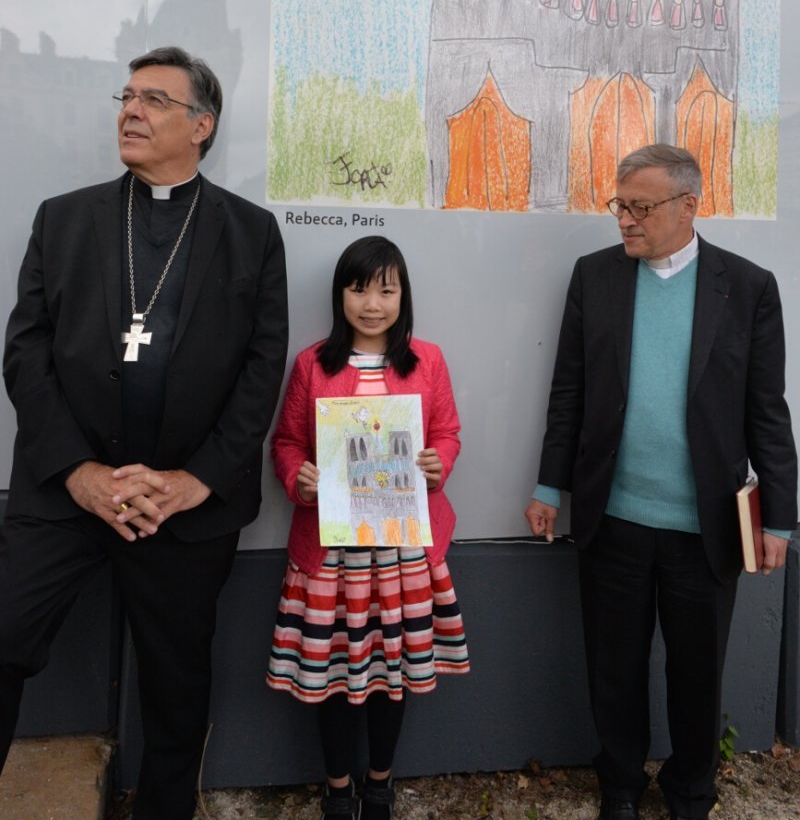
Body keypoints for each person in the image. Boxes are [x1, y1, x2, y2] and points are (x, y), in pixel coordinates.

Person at [1, 46, 288, 820]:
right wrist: (79, 473)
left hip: (182, 504)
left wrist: (197, 480)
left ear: (202, 125)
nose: (130, 110)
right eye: (127, 96)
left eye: (155, 100)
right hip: (65, 490)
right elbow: (25, 352)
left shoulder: (250, 232)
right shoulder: (64, 218)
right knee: (4, 637)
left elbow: (262, 371)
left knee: (175, 682)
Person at [525, 144, 797, 820]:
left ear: (688, 206)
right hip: (611, 516)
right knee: (612, 668)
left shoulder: (749, 287)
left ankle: (690, 790)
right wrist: (550, 486)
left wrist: (780, 520)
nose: (624, 220)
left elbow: (768, 410)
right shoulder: (595, 278)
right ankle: (618, 785)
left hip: (704, 526)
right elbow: (569, 391)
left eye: (639, 207)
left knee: (697, 675)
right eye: (620, 205)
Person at [267, 236, 469, 819]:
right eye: (359, 288)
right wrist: (297, 477)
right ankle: (336, 788)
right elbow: (286, 442)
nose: (372, 303)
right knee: (331, 674)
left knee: (392, 675)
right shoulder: (312, 363)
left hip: (404, 550)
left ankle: (378, 783)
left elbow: (449, 431)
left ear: (403, 295)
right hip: (332, 553)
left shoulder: (427, 359)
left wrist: (439, 461)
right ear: (341, 295)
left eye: (386, 288)